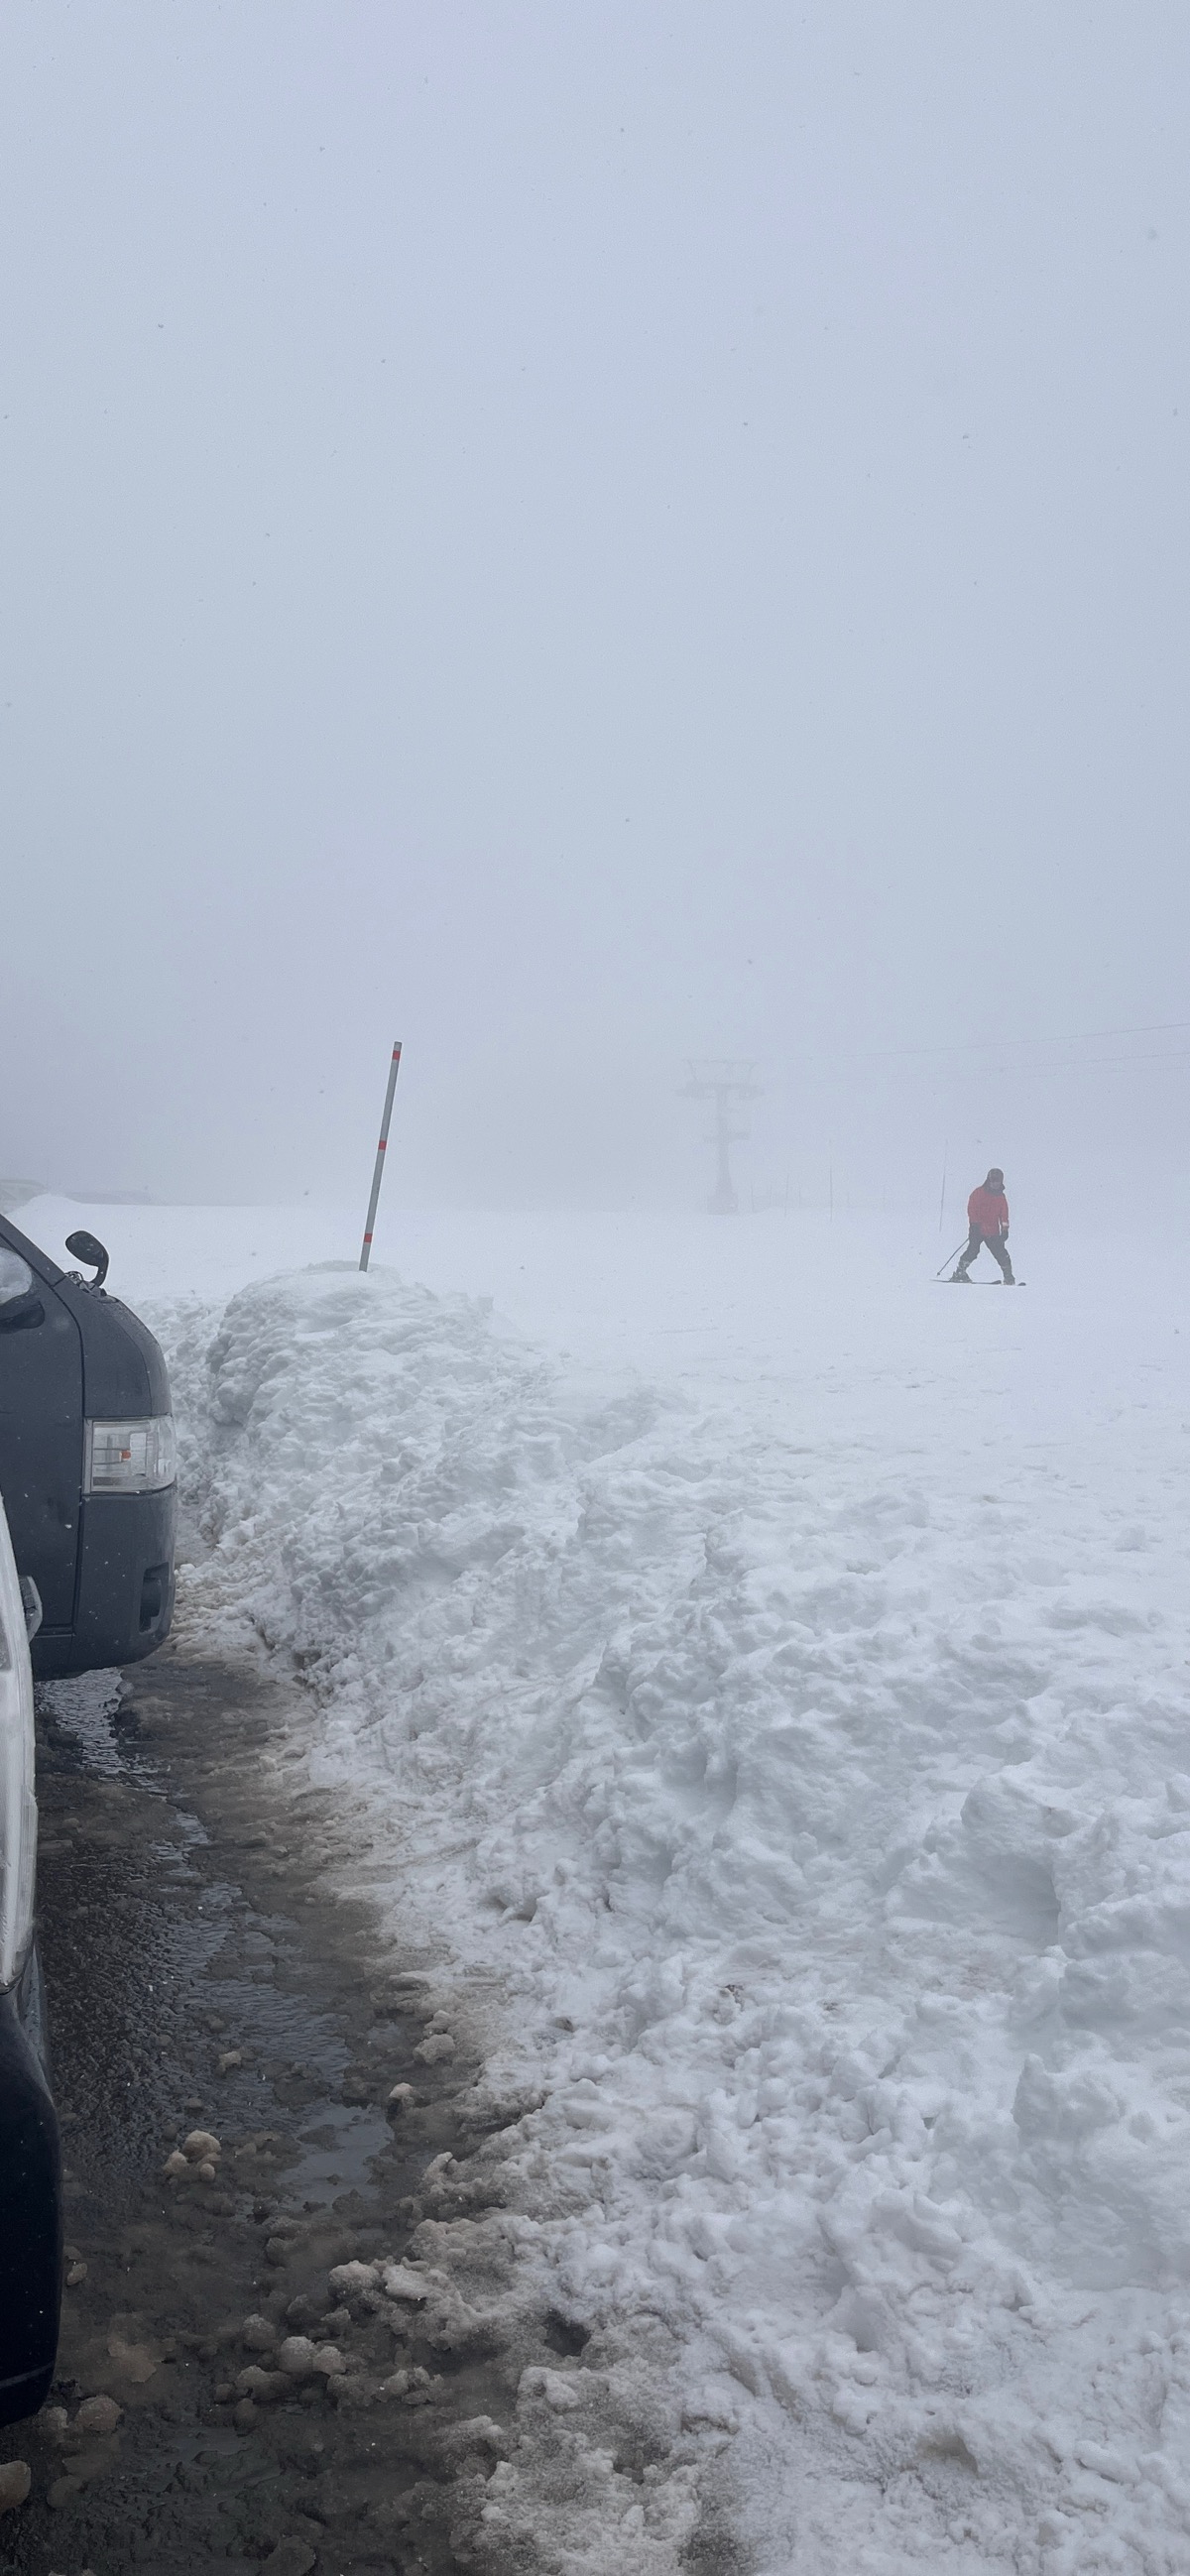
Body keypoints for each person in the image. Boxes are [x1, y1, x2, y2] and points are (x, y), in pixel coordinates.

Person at [951, 1167, 1014, 1283]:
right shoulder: (978, 1193)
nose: (995, 1183)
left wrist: (1005, 1230)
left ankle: (1008, 1277)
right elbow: (971, 1209)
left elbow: (1004, 1215)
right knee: (972, 1251)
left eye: (997, 1181)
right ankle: (960, 1272)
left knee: (1001, 1254)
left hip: (992, 1231)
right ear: (988, 1180)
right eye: (993, 1180)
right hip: (977, 1229)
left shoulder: (1001, 1197)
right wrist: (974, 1224)